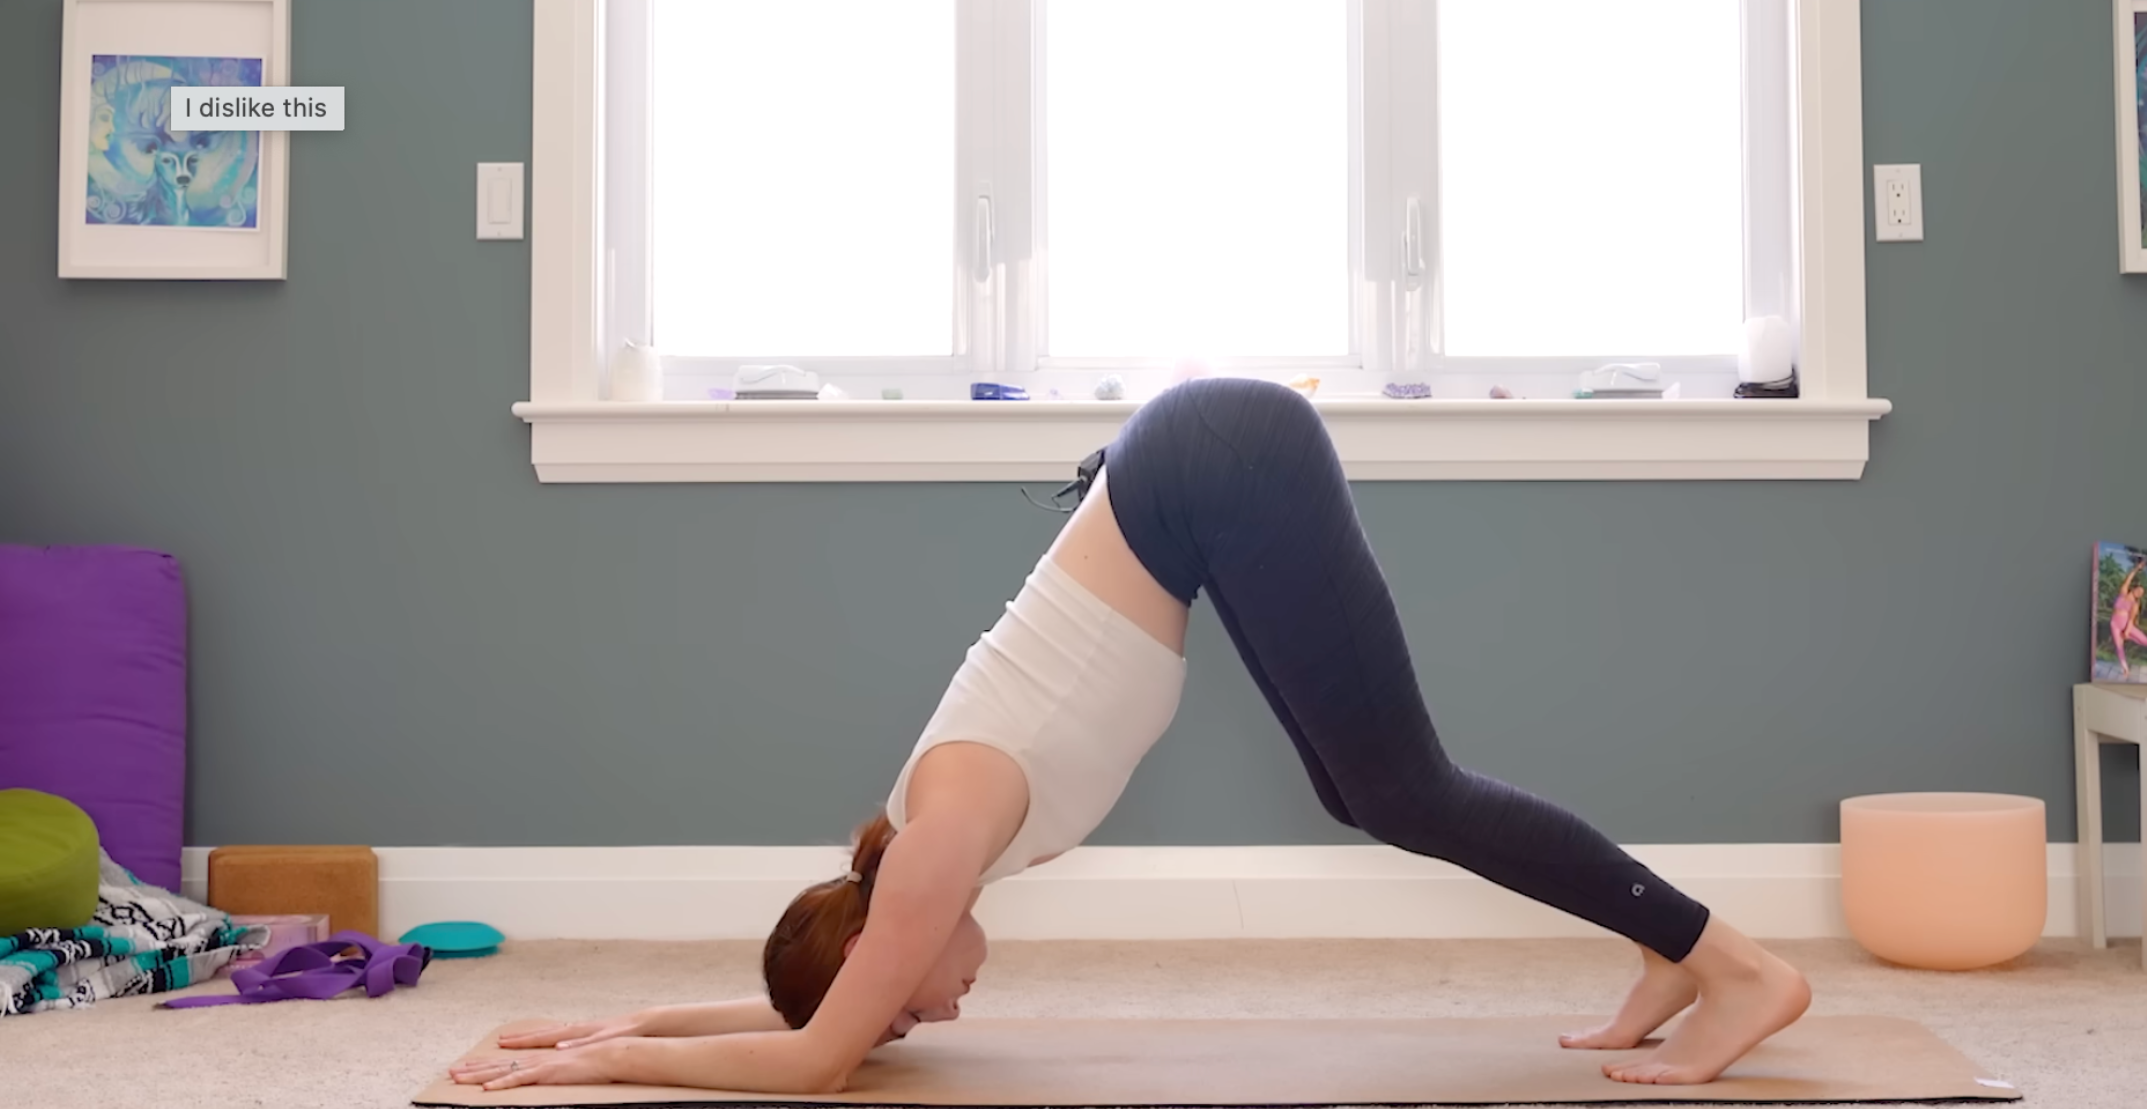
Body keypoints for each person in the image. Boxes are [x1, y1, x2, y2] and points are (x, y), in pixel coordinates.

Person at [449, 378, 1810, 1094]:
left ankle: (1734, 962)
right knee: (1366, 792)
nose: (946, 1006)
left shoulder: (929, 860)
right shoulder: (910, 871)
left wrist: (601, 1066)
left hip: (1217, 459)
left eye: (911, 1000)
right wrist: (611, 1010)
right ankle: (1661, 942)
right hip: (1196, 472)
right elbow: (819, 1016)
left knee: (1407, 784)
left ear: (877, 940)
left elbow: (811, 1059)